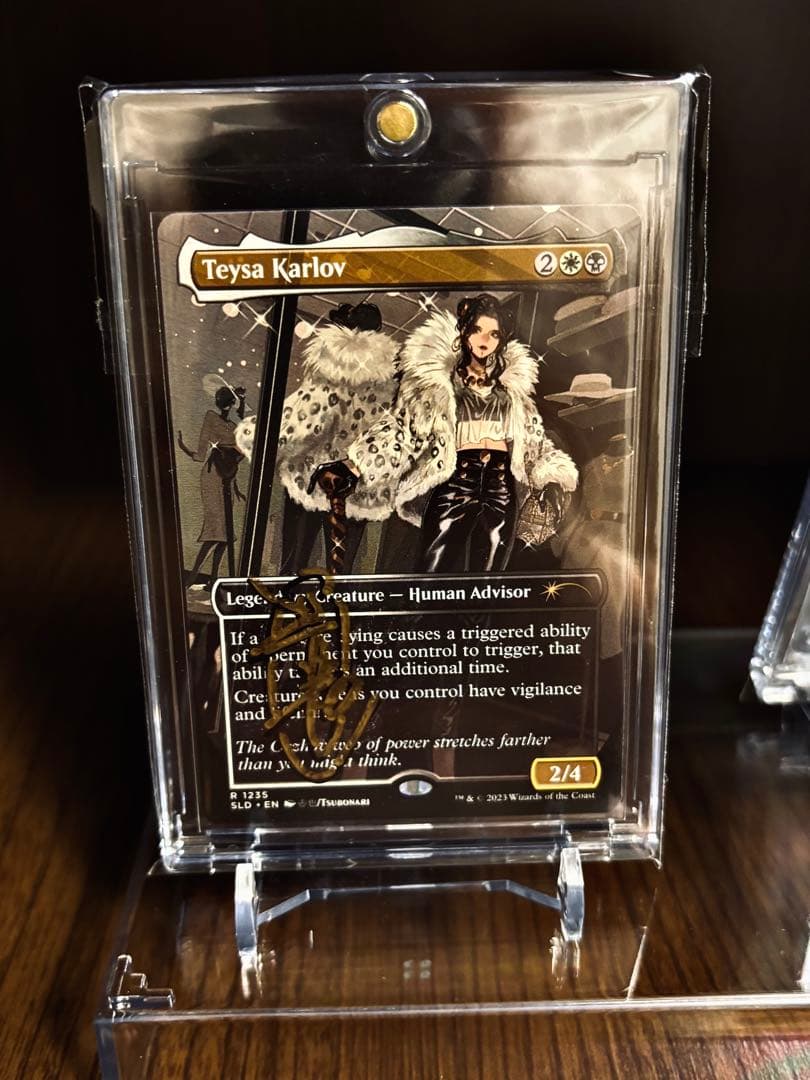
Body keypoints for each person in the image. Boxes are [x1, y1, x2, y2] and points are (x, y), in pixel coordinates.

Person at [310, 295, 577, 572]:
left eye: (494, 333)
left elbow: (534, 439)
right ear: (464, 331)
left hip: (501, 487)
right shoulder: (436, 382)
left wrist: (552, 477)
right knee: (431, 574)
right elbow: (403, 429)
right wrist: (354, 465)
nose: (484, 340)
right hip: (456, 481)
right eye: (477, 330)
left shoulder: (512, 390)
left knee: (487, 583)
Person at [275, 302, 399, 574]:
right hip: (350, 476)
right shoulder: (388, 375)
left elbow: (306, 418)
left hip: (313, 470)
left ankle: (286, 597)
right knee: (339, 565)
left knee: (295, 558)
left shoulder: (326, 361)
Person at [178, 383, 246, 590]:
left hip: (227, 477)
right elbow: (201, 455)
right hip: (213, 476)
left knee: (226, 534)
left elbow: (242, 450)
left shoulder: (233, 426)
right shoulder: (211, 417)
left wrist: (234, 481)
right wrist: (183, 448)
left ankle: (213, 579)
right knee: (215, 531)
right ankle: (191, 578)